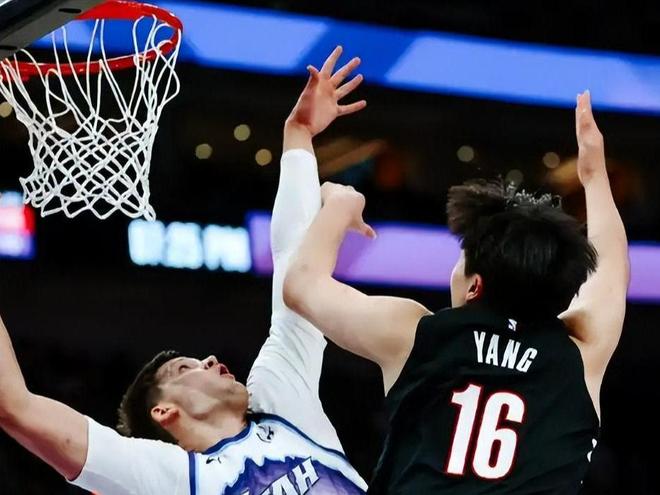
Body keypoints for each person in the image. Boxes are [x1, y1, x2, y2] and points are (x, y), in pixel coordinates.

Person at [0, 47, 368, 495]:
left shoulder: (280, 400)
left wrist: (299, 137)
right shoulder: (168, 477)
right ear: (164, 412)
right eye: (184, 368)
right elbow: (15, 405)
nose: (209, 359)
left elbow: (295, 270)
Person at [284, 90, 628, 494]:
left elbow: (301, 285)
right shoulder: (581, 356)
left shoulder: (418, 335)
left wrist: (339, 204)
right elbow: (611, 271)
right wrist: (594, 176)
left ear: (475, 286)